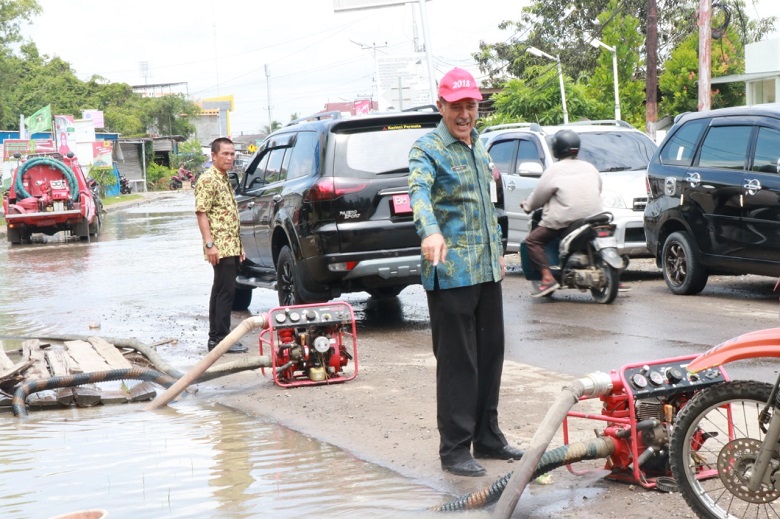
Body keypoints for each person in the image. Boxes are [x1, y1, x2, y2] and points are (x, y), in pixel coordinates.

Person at [408, 67, 524, 478]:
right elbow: (418, 193)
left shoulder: (479, 148)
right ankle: (454, 448)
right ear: (441, 106)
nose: (464, 113)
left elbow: (485, 207)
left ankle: (488, 436)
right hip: (451, 272)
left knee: (491, 354)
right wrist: (432, 231)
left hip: (486, 271)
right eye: (456, 106)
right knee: (459, 362)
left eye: (470, 105)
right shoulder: (427, 148)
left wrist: (499, 257)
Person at [520, 129, 603, 297]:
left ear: (556, 149)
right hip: (594, 218)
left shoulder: (554, 170)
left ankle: (547, 278)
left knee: (532, 241)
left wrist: (528, 205)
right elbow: (598, 188)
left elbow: (539, 196)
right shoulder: (590, 167)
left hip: (565, 221)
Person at [194, 137, 248, 354]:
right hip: (219, 246)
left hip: (230, 244)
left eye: (232, 153)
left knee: (221, 290)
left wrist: (240, 246)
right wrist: (209, 244)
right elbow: (202, 212)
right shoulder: (208, 179)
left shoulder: (224, 178)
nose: (230, 157)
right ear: (213, 156)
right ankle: (221, 339)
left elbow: (228, 215)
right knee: (225, 291)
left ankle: (216, 339)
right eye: (225, 153)